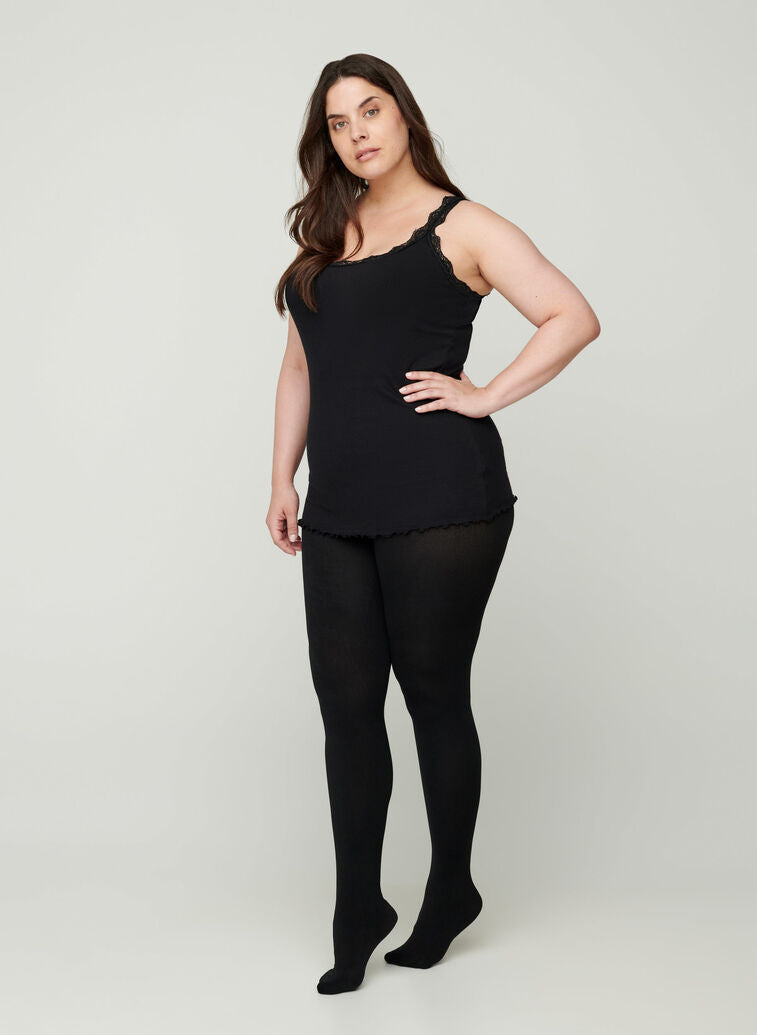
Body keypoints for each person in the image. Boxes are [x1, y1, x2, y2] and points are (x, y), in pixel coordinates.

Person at [268, 54, 600, 995]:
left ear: (404, 116)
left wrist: (485, 394)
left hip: (442, 500)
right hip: (338, 504)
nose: (356, 133)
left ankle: (450, 887)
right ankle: (358, 908)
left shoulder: (465, 225)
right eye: (337, 123)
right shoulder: (327, 235)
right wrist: (281, 475)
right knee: (345, 712)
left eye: (370, 111)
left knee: (431, 697)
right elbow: (299, 367)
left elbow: (570, 316)